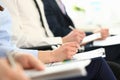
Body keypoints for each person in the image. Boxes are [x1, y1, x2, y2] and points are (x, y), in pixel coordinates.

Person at [0, 0, 117, 80]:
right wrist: (59, 44)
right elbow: (17, 41)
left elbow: (48, 33)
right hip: (37, 53)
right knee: (99, 64)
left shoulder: (39, 2)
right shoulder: (9, 2)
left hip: (43, 51)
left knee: (105, 64)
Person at [42, 0, 120, 64]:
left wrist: (94, 34)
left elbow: (71, 29)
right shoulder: (46, 2)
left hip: (76, 45)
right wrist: (94, 36)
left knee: (113, 38)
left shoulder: (58, 2)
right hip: (68, 48)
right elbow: (58, 32)